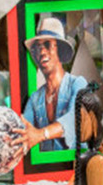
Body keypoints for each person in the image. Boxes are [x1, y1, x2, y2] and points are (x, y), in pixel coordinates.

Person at [16, 16, 88, 153]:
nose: (42, 52)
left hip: (77, 164)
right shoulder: (35, 99)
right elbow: (23, 131)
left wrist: (41, 134)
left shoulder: (78, 84)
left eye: (47, 45)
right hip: (48, 165)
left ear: (59, 49)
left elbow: (74, 119)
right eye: (37, 48)